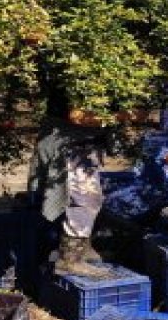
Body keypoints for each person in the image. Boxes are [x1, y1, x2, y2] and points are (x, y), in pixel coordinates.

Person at [27, 92, 110, 279]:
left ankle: (81, 248)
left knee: (87, 199)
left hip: (79, 142)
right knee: (83, 200)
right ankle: (69, 259)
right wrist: (124, 115)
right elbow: (77, 115)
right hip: (68, 142)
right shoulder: (81, 77)